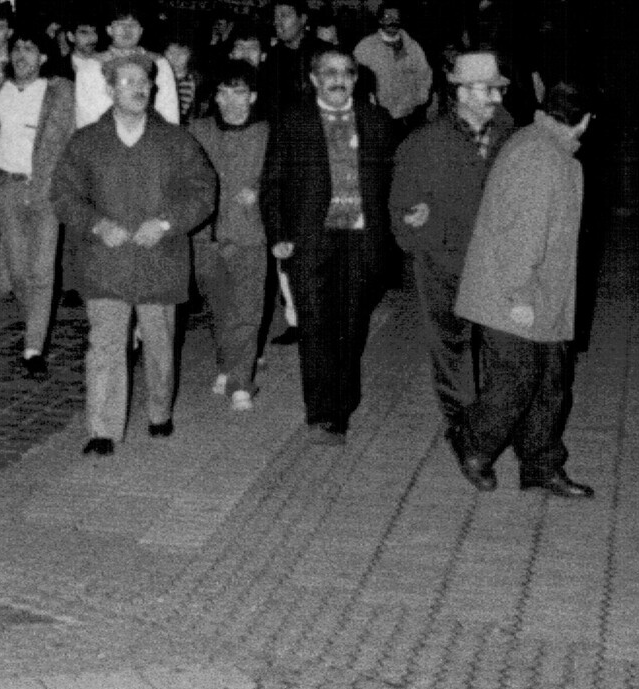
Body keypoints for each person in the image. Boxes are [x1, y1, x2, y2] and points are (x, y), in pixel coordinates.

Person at [54, 52, 216, 454]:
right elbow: (62, 195)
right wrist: (96, 223)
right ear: (109, 90)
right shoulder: (87, 141)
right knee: (106, 345)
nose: (137, 89)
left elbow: (203, 192)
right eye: (126, 82)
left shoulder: (176, 141)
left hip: (160, 259)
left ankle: (159, 412)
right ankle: (102, 429)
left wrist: (165, 223)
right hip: (106, 260)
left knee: (160, 342)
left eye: (143, 82)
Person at [452, 80, 595, 498]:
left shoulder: (549, 151)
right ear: (584, 121)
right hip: (512, 294)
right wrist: (518, 298)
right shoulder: (540, 157)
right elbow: (522, 237)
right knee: (515, 382)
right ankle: (470, 440)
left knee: (550, 383)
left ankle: (541, 465)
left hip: (541, 295)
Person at [261, 47, 395, 444]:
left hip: (361, 240)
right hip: (309, 240)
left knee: (352, 326)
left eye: (347, 73)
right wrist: (279, 234)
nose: (339, 80)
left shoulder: (377, 121)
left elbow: (392, 182)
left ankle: (344, 401)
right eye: (330, 73)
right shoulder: (293, 122)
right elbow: (273, 184)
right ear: (315, 79)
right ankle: (323, 413)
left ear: (356, 78)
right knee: (316, 325)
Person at [390, 50, 516, 450]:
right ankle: (465, 433)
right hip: (444, 262)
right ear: (460, 92)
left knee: (504, 349)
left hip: (496, 263)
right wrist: (430, 244)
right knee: (452, 350)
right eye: (487, 91)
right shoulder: (424, 143)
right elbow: (402, 211)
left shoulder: (510, 133)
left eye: (498, 90)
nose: (496, 99)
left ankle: (496, 422)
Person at [188, 61, 272, 411]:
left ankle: (240, 381)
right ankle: (227, 363)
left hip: (249, 233)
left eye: (239, 93)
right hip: (206, 235)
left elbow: (282, 180)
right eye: (223, 92)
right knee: (218, 307)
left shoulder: (268, 133)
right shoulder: (197, 129)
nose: (231, 101)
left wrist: (260, 191)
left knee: (247, 309)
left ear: (252, 96)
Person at [0, 32, 75, 378]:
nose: (22, 54)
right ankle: (34, 327)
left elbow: (72, 138)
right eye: (17, 48)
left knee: (41, 270)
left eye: (30, 48)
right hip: (7, 186)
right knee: (18, 268)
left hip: (45, 187)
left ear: (43, 56)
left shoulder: (58, 91)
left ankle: (33, 346)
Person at [74, 8, 180, 127]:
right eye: (120, 24)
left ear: (141, 30)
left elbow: (169, 111)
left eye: (133, 25)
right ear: (109, 30)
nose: (127, 30)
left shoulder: (159, 63)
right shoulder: (92, 66)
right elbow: (86, 116)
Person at [353, 3, 434, 128]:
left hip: (413, 113)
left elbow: (425, 73)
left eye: (396, 17)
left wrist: (422, 97)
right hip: (384, 117)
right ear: (380, 20)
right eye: (388, 17)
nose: (393, 21)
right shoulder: (366, 47)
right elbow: (354, 79)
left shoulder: (411, 45)